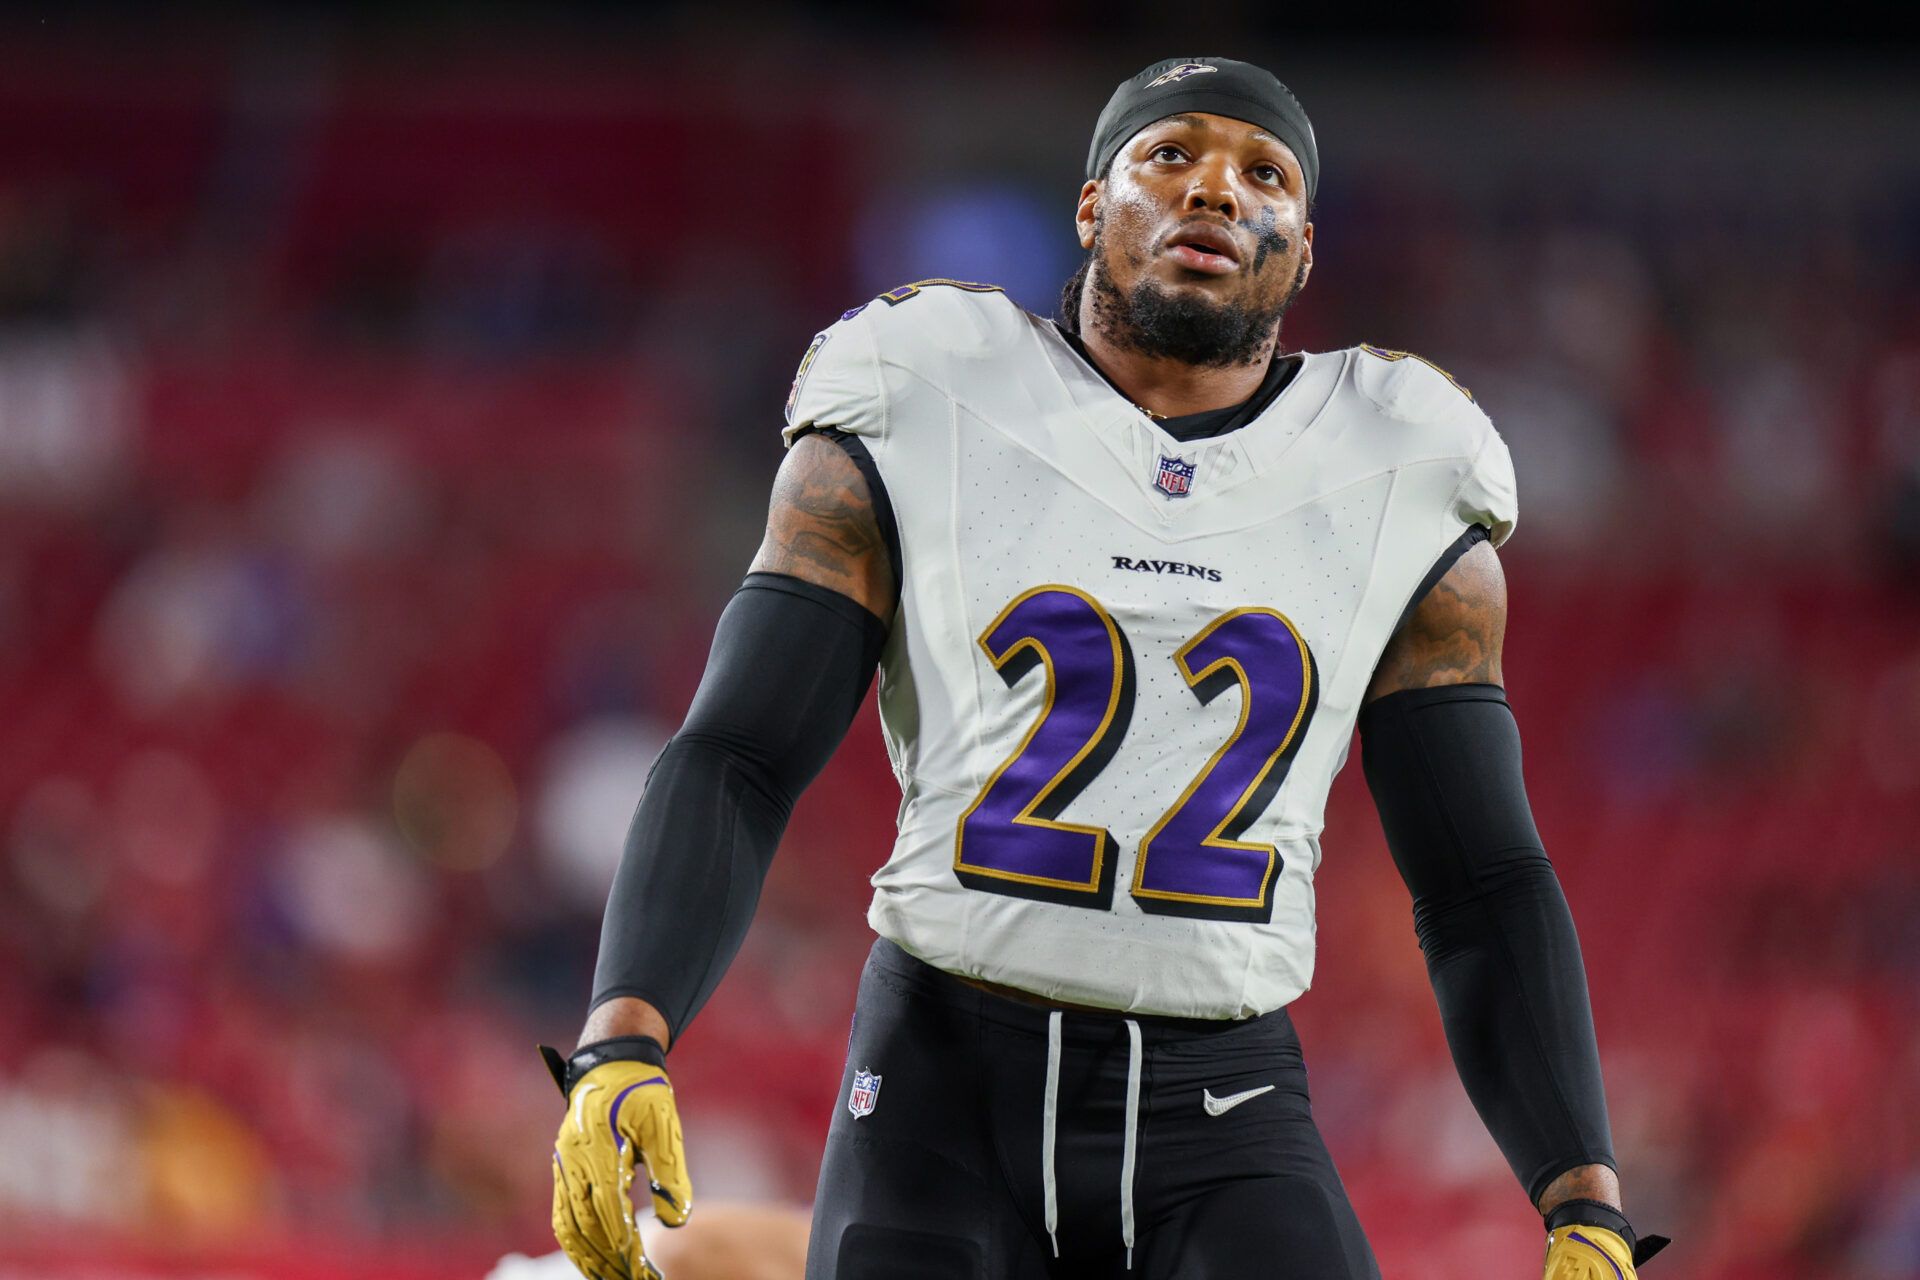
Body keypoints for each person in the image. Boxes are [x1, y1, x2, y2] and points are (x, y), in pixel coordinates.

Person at [544, 55, 1669, 1280]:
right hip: (941, 1082)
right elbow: (740, 754)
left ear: (1300, 250)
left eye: (1263, 174)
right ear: (1091, 206)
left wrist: (1584, 1194)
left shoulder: (1397, 465)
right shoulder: (933, 385)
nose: (1217, 192)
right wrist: (624, 1034)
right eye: (1170, 154)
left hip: (1225, 1102)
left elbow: (1480, 873)